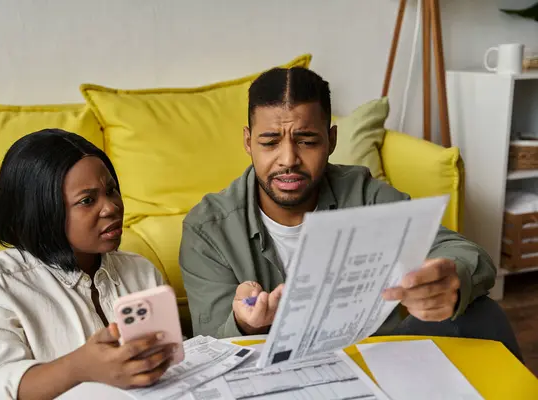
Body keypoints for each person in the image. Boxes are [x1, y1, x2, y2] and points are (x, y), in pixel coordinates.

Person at [179, 67, 522, 360]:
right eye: (270, 142)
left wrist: (451, 279)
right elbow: (211, 349)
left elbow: (467, 254)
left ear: (331, 139)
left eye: (307, 141)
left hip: (369, 361)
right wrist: (247, 324)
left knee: (481, 313)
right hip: (273, 376)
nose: (287, 159)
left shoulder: (363, 193)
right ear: (248, 142)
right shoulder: (208, 228)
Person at [0, 129, 177, 400]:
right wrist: (79, 368)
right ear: (41, 211)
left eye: (111, 190)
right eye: (87, 200)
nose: (111, 207)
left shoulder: (141, 272)